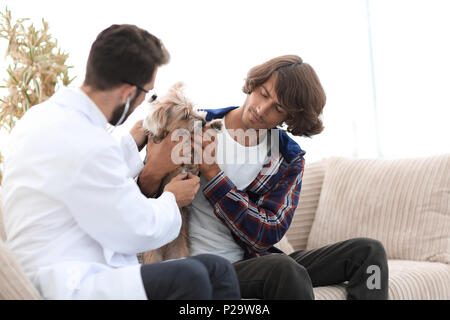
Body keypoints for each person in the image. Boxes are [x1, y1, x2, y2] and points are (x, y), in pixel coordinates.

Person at [1, 24, 240, 300]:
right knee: (192, 276)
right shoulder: (88, 141)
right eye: (146, 94)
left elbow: (83, 176)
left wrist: (130, 143)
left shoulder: (42, 118)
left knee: (218, 270)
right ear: (128, 92)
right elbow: (136, 229)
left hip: (48, 267)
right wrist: (171, 200)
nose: (142, 105)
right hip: (70, 282)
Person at [188, 55, 389, 299]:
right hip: (198, 268)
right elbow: (149, 190)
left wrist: (214, 175)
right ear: (254, 84)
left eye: (278, 108)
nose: (261, 109)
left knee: (369, 254)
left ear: (289, 118)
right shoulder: (195, 127)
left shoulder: (287, 157)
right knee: (285, 270)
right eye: (263, 93)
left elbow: (267, 233)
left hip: (250, 263)